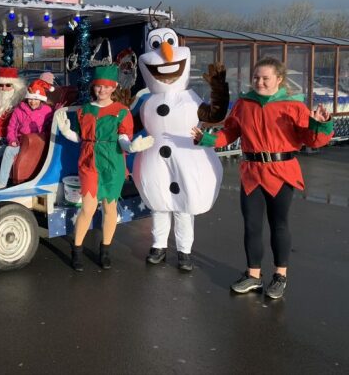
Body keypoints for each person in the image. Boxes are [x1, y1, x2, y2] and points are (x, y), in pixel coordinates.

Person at [194, 57, 333, 299]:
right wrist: (206, 139)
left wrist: (322, 125)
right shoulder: (243, 104)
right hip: (252, 174)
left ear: (279, 79)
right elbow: (229, 134)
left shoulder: (293, 106)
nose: (259, 82)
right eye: (256, 77)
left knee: (279, 224)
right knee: (252, 225)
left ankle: (280, 276)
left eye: (265, 78)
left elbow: (312, 140)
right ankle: (253, 276)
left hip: (281, 172)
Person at [133, 25, 229, 272]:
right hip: (155, 160)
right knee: (159, 204)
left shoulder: (190, 97)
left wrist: (220, 90)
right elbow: (130, 123)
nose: (164, 52)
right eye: (156, 45)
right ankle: (158, 246)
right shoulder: (146, 101)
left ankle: (184, 251)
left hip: (187, 159)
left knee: (184, 208)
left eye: (168, 43)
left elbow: (215, 113)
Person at [56, 65, 153, 271]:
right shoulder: (84, 110)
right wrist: (66, 131)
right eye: (99, 86)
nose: (102, 91)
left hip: (113, 163)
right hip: (90, 161)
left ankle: (105, 250)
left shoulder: (122, 112)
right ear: (94, 87)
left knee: (110, 208)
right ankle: (77, 250)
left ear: (114, 87)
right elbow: (81, 138)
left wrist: (132, 146)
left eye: (107, 87)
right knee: (88, 208)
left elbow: (123, 139)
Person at [0, 74, 56, 190]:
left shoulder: (47, 111)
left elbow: (50, 126)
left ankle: (1, 186)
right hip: (17, 142)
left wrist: (58, 111)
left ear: (41, 100)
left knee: (9, 151)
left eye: (36, 99)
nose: (33, 102)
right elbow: (11, 127)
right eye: (30, 98)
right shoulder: (19, 109)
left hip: (31, 144)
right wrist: (12, 139)